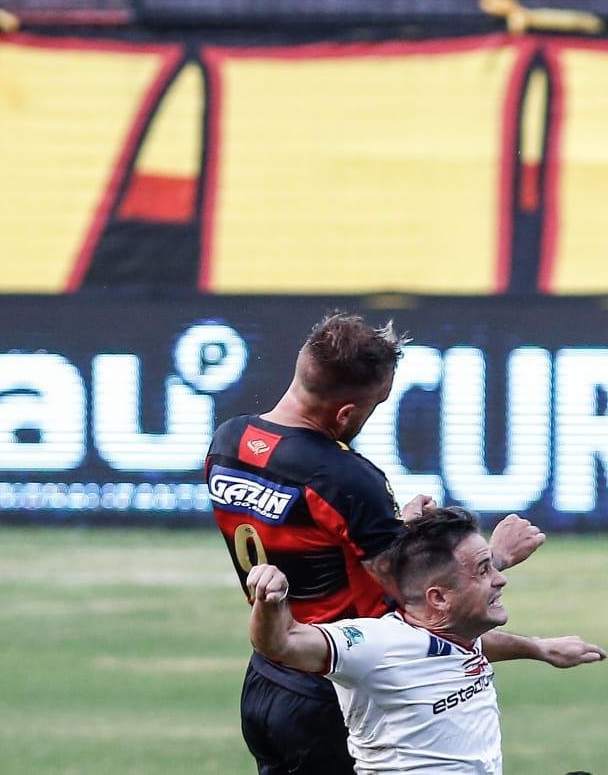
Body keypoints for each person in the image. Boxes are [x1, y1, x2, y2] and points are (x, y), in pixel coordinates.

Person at [205, 312, 583, 774]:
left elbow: (305, 538)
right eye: (375, 404)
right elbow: (422, 600)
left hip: (267, 677)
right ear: (346, 411)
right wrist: (496, 555)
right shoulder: (343, 477)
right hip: (339, 685)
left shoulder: (229, 442)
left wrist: (388, 527)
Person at [246, 506, 606, 774]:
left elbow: (465, 653)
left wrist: (539, 648)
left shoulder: (459, 635)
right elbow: (282, 643)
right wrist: (269, 599)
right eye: (484, 569)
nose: (501, 579)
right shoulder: (375, 644)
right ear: (438, 598)